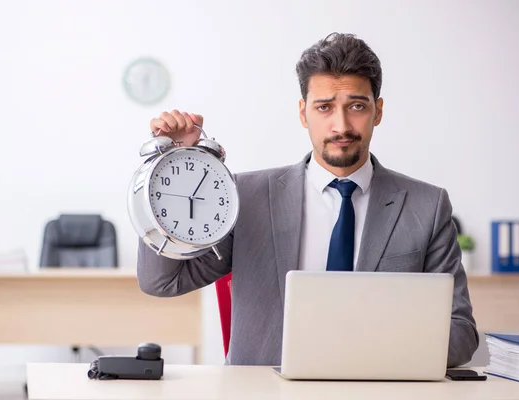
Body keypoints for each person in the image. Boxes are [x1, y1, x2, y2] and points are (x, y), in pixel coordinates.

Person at [136, 32, 479, 367]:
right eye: (324, 107)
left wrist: (373, 346)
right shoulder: (247, 197)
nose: (340, 125)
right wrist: (172, 165)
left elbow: (461, 335)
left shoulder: (427, 207)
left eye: (356, 106)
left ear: (378, 111)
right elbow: (162, 281)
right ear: (303, 113)